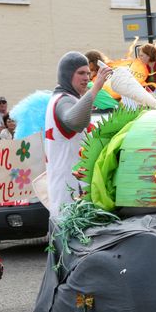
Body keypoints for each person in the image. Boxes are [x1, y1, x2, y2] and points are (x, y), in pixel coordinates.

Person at [44, 51, 112, 219]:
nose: (87, 78)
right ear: (67, 75)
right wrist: (96, 88)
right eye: (81, 73)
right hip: (69, 189)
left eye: (89, 73)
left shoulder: (67, 99)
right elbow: (74, 121)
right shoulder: (63, 100)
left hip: (70, 186)